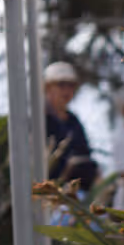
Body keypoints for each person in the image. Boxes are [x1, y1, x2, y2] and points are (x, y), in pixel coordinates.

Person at [42, 61, 100, 193]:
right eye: (61, 84)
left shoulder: (74, 121)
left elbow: (86, 154)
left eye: (71, 86)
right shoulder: (39, 121)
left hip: (78, 194)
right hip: (49, 196)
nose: (67, 91)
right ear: (47, 87)